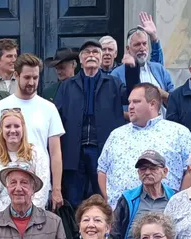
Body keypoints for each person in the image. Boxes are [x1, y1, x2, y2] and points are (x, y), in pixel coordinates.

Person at [55, 39, 133, 208]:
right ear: (80, 60)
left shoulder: (113, 83)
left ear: (101, 58)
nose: (91, 55)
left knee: (103, 198)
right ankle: (75, 234)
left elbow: (131, 95)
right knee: (73, 199)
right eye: (87, 53)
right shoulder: (67, 86)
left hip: (102, 149)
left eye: (95, 52)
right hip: (74, 151)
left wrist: (131, 69)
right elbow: (56, 117)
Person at [0, 54, 65, 209]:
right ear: (16, 75)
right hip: (5, 191)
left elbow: (55, 153)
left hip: (39, 188)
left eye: (35, 78)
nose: (31, 82)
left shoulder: (49, 108)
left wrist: (56, 189)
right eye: (27, 77)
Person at [98, 83, 191, 207]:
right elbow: (102, 169)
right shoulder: (116, 135)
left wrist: (179, 202)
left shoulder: (179, 133)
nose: (130, 107)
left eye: (136, 102)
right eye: (129, 102)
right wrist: (110, 200)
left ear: (152, 104)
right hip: (122, 213)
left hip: (164, 211)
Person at [109, 150, 176, 239]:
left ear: (165, 172)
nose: (147, 172)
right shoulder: (128, 199)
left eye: (153, 168)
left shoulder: (175, 198)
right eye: (143, 169)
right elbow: (114, 236)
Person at [0, 109, 50, 213]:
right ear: (1, 130)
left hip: (33, 217)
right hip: (2, 218)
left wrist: (29, 216)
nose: (12, 130)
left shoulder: (37, 153)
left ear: (23, 129)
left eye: (17, 126)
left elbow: (42, 190)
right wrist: (4, 218)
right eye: (8, 126)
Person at [111, 13, 173, 110]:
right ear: (128, 49)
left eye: (144, 44)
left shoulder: (158, 69)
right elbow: (113, 107)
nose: (142, 48)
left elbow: (176, 101)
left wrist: (161, 93)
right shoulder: (117, 74)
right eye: (137, 45)